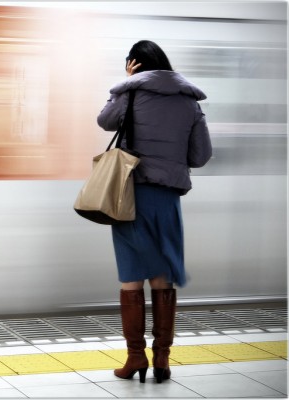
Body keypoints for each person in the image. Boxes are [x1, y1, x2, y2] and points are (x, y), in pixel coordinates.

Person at [97, 40, 212, 384]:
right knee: (162, 274)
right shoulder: (190, 101)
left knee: (132, 275)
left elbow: (104, 121)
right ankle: (162, 359)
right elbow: (200, 155)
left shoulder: (130, 94)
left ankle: (135, 358)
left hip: (130, 195)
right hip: (167, 200)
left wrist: (124, 86)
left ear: (134, 64)